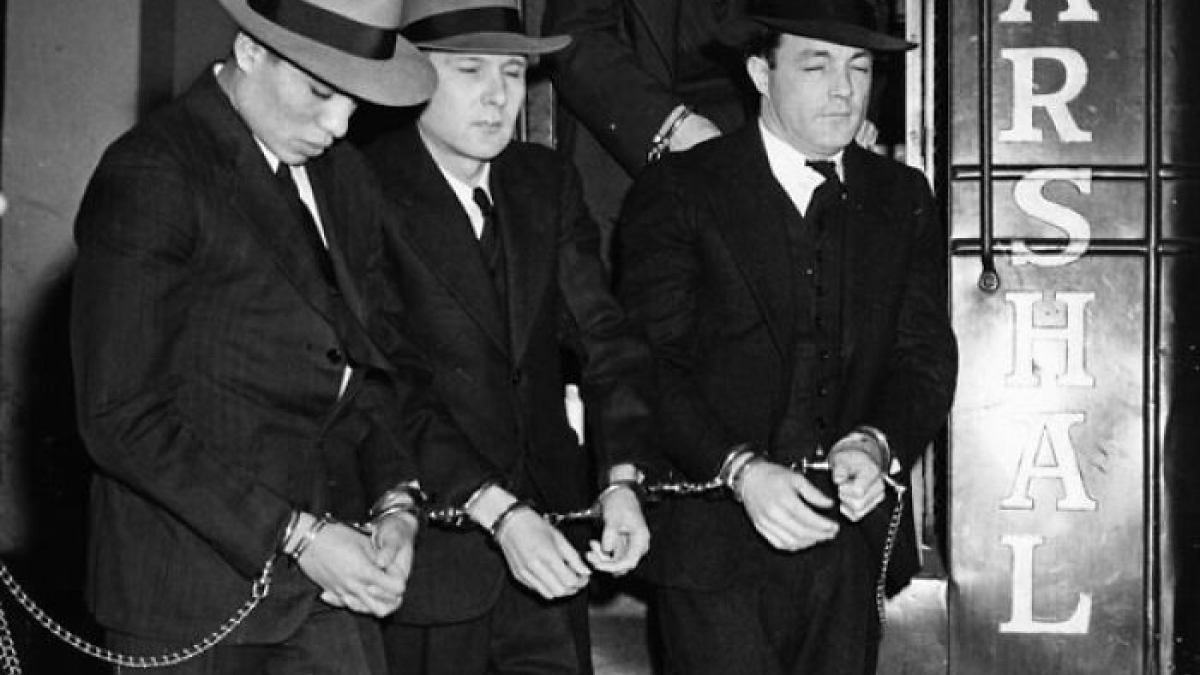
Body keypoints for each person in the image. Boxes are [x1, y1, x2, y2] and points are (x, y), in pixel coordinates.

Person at [71, 0, 454, 672]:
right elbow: (119, 416)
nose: (338, 125)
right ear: (250, 53)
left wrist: (397, 500)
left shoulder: (345, 177)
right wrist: (297, 534)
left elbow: (367, 362)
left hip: (326, 590)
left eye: (354, 104)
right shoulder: (155, 170)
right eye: (319, 92)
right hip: (187, 596)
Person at [615, 1, 958, 674]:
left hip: (846, 545)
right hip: (712, 547)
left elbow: (924, 355)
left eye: (860, 66)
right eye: (816, 63)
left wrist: (878, 440)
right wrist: (740, 470)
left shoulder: (903, 196)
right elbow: (646, 363)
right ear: (759, 73)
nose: (844, 87)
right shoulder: (680, 188)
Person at [361, 1, 657, 673]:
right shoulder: (364, 185)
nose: (499, 97)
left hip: (552, 558)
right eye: (471, 71)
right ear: (415, 74)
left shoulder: (543, 180)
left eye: (514, 74)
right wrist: (498, 511)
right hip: (431, 565)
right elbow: (389, 384)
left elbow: (607, 338)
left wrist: (622, 477)